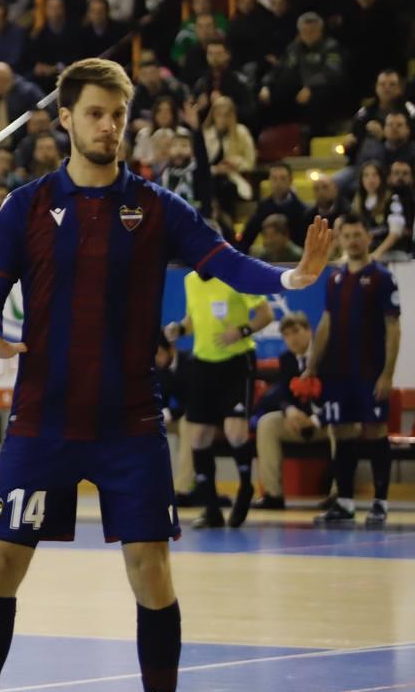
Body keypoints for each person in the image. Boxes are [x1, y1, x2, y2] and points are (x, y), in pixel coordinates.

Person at [0, 57, 333, 692]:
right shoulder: (25, 206)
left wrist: (292, 276)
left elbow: (226, 263)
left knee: (152, 571)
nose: (109, 126)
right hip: (43, 422)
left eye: (118, 114)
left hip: (130, 423)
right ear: (64, 119)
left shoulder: (155, 208)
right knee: (0, 563)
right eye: (95, 112)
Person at [308, 214, 401, 529]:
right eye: (346, 236)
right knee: (340, 431)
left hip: (369, 370)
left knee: (374, 430)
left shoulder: (382, 277)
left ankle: (379, 502)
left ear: (369, 238)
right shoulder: (334, 279)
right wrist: (311, 365)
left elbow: (393, 328)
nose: (352, 241)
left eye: (357, 235)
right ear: (340, 240)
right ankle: (345, 502)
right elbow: (326, 324)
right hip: (337, 371)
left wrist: (387, 374)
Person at [164, 270, 272, 528]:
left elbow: (266, 314)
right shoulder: (190, 280)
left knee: (235, 432)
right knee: (198, 435)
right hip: (203, 363)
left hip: (237, 362)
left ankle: (245, 487)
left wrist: (243, 330)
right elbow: (193, 318)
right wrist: (179, 328)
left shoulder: (235, 273)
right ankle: (211, 506)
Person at [251, 312, 317, 511]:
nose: (292, 338)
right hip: (296, 422)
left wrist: (314, 419)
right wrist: (289, 411)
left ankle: (338, 496)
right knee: (268, 423)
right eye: (287, 335)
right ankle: (273, 495)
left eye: (296, 331)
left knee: (341, 425)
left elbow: (334, 393)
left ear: (308, 330)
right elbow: (284, 394)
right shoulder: (287, 358)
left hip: (324, 420)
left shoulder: (325, 354)